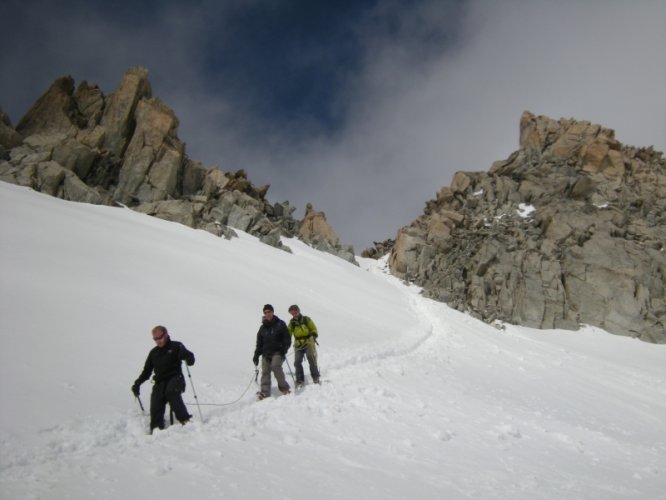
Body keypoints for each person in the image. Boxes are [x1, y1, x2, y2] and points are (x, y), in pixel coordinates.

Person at [131, 325, 195, 433]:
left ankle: (185, 420)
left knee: (171, 392)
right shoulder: (153, 353)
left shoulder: (176, 346)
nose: (158, 341)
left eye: (160, 338)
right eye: (155, 339)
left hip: (176, 378)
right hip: (160, 382)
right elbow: (147, 371)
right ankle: (156, 429)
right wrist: (137, 383)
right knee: (156, 401)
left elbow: (191, 360)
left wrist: (188, 357)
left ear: (166, 335)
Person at [252, 304, 291, 399]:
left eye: (269, 312)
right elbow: (259, 343)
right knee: (265, 371)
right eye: (265, 313)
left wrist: (284, 349)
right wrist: (256, 355)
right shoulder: (262, 328)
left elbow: (287, 338)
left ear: (273, 312)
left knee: (275, 366)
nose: (267, 314)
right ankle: (265, 392)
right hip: (266, 353)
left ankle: (284, 388)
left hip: (278, 352)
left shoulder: (280, 324)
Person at [287, 304, 320, 387]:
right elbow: (288, 334)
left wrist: (313, 335)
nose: (294, 313)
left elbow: (314, 329)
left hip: (308, 342)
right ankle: (299, 380)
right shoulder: (291, 323)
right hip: (298, 345)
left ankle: (316, 377)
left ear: (298, 311)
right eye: (292, 312)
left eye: (295, 311)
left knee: (311, 358)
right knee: (297, 362)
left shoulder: (306, 319)